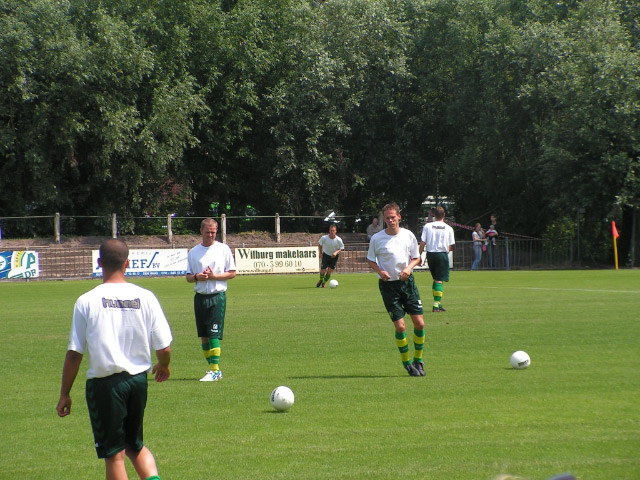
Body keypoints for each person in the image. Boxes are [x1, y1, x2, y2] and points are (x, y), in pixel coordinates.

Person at [57, 238, 172, 480]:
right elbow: (164, 346)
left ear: (99, 262)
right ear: (127, 263)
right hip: (138, 382)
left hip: (105, 385)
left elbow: (75, 354)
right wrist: (163, 364)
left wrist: (65, 393)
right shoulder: (146, 297)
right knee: (135, 445)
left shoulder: (86, 301)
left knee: (114, 454)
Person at [367, 203, 426, 377]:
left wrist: (408, 269)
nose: (390, 220)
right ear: (384, 219)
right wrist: (380, 271)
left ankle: (418, 360)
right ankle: (407, 363)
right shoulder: (377, 239)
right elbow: (370, 260)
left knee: (420, 323)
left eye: (393, 217)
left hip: (407, 284)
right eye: (387, 218)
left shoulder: (408, 235)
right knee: (400, 327)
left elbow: (416, 257)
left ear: (399, 217)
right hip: (388, 287)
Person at [186, 218, 236, 382]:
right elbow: (188, 277)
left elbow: (232, 273)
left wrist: (214, 276)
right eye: (208, 232)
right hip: (200, 297)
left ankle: (214, 370)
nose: (211, 235)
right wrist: (197, 277)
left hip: (216, 296)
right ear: (201, 231)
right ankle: (213, 369)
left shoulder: (223, 249)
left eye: (213, 232)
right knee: (204, 336)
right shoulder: (193, 252)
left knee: (213, 334)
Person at [419, 205, 455, 312]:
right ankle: (436, 305)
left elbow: (422, 242)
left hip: (430, 254)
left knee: (436, 279)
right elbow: (450, 245)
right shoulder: (448, 228)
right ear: (444, 215)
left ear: (434, 215)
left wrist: (419, 255)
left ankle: (438, 304)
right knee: (439, 280)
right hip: (441, 254)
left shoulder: (427, 226)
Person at [316, 223, 344, 288]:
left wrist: (336, 252)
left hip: (334, 257)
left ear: (336, 231)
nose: (332, 232)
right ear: (329, 231)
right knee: (323, 271)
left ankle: (323, 282)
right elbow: (320, 244)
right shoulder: (324, 238)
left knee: (329, 271)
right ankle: (321, 280)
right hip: (326, 255)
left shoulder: (338, 240)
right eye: (331, 230)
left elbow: (341, 248)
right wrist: (320, 253)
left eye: (333, 231)